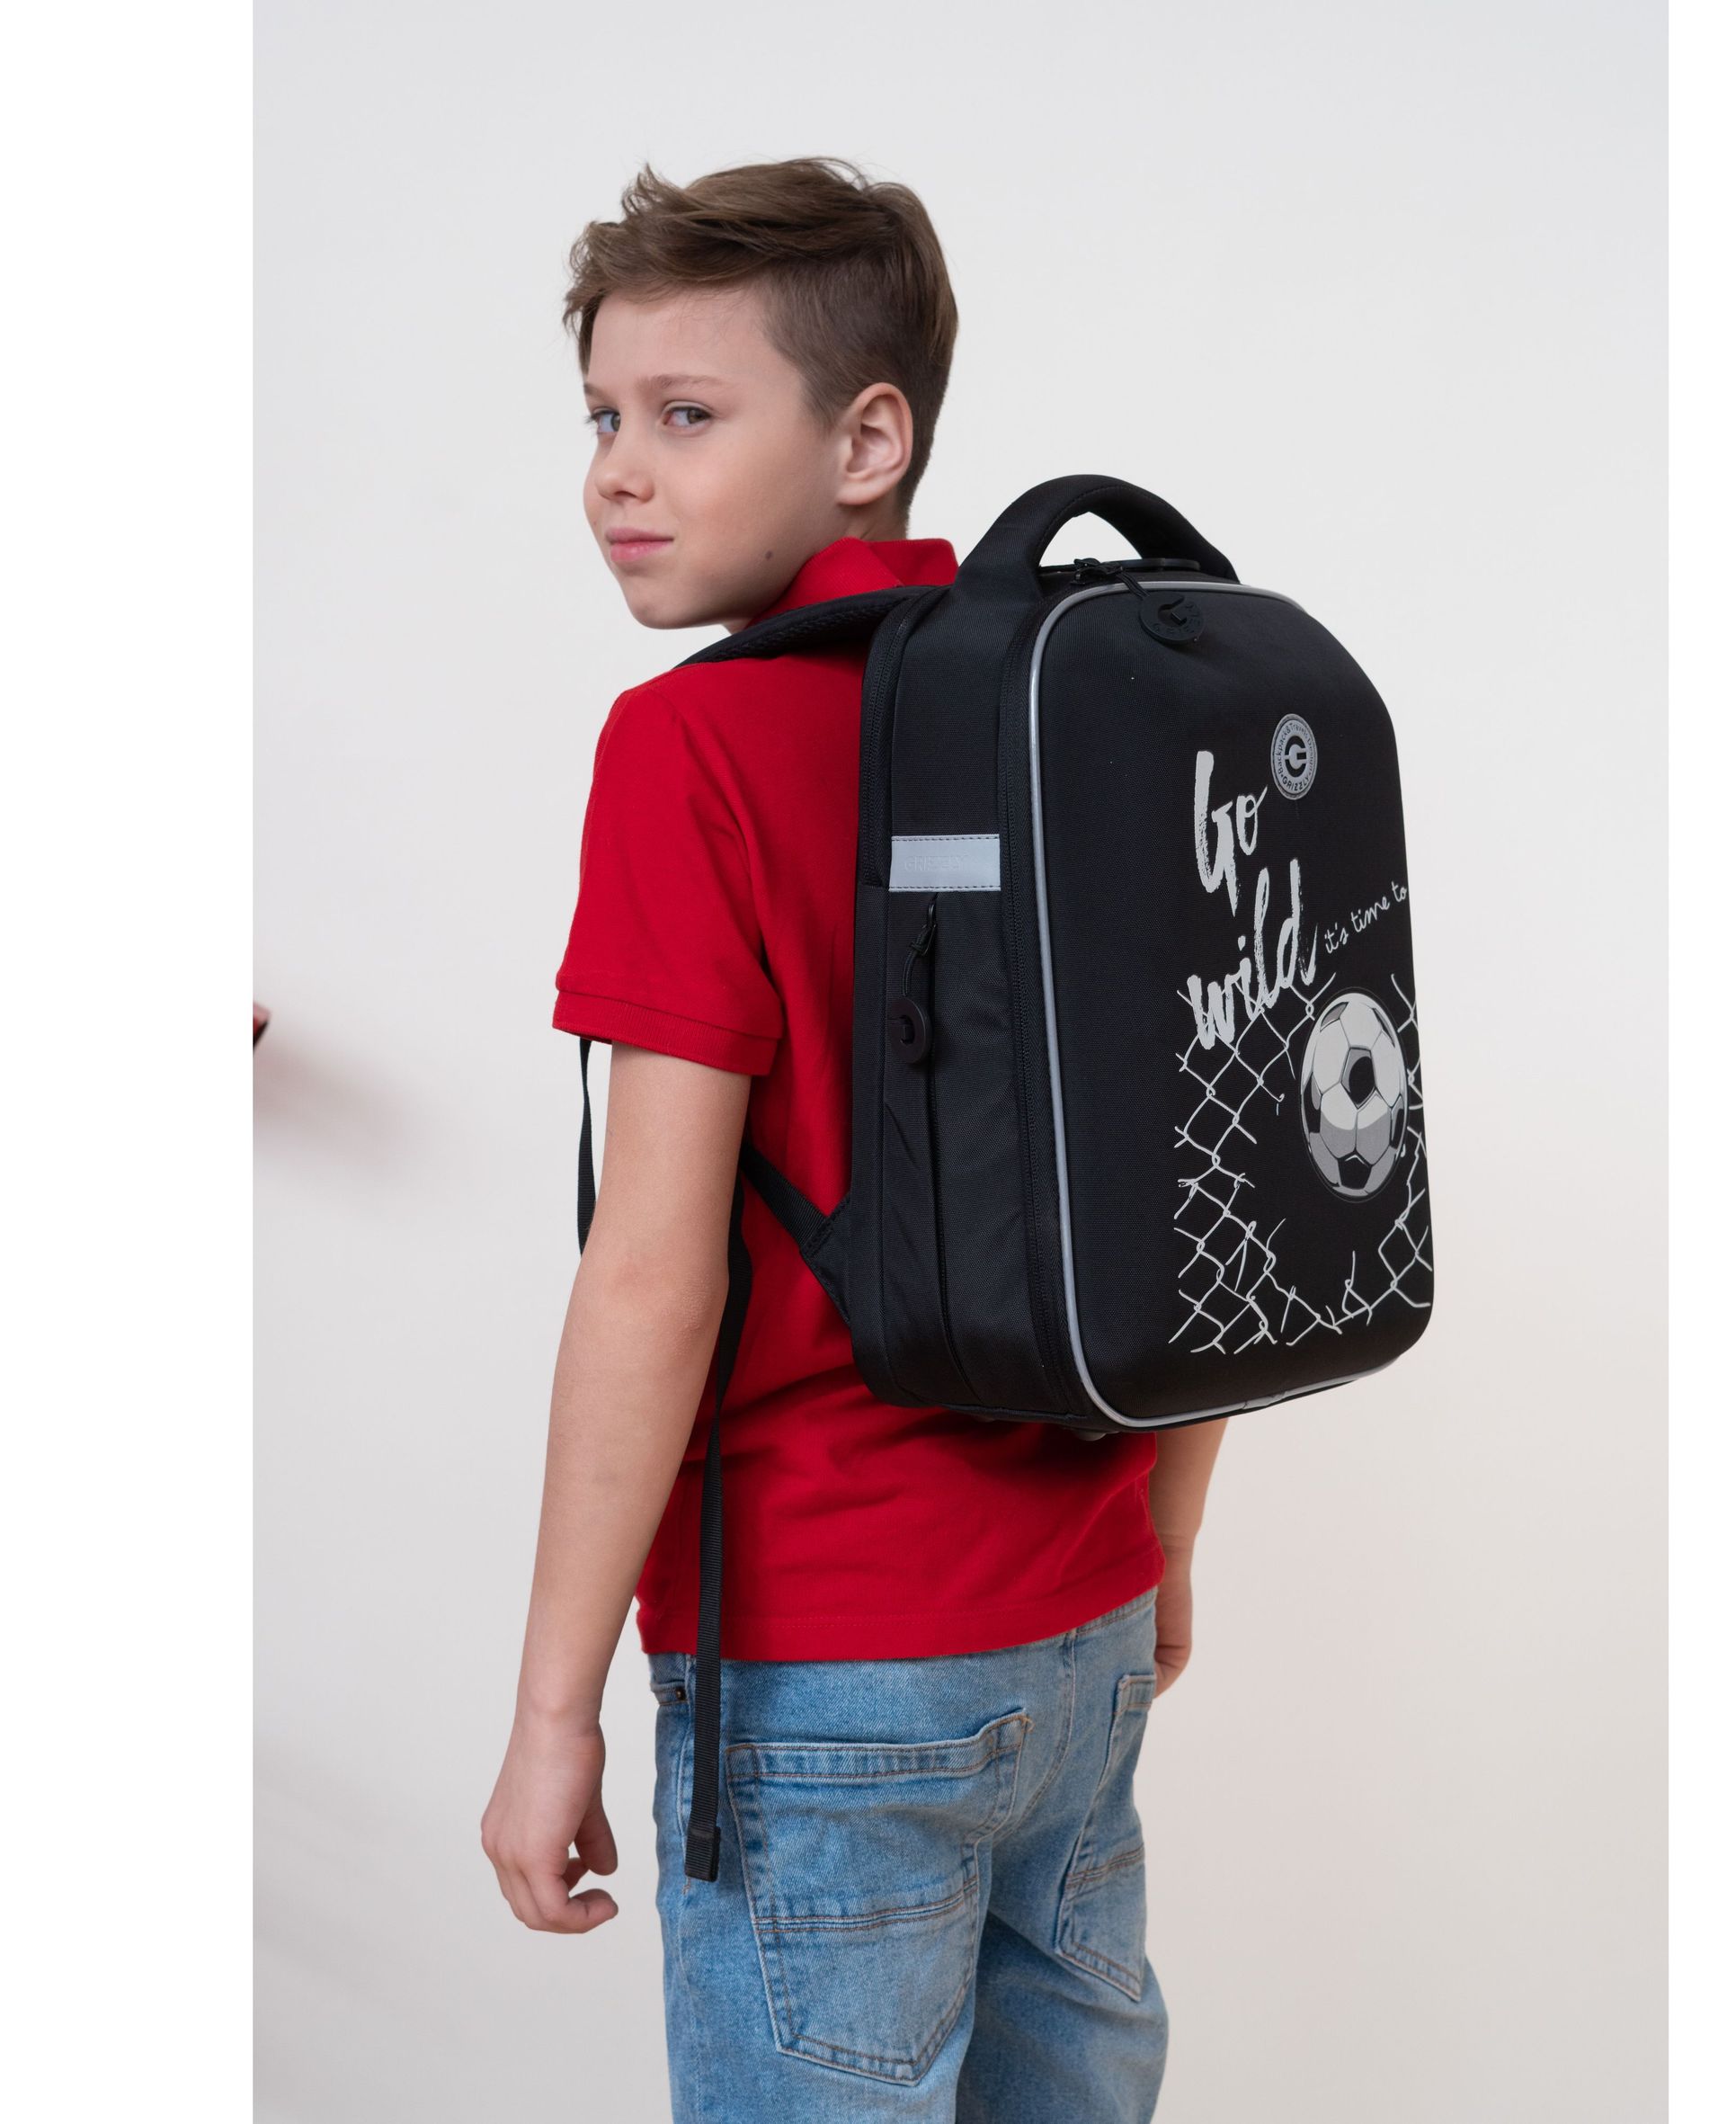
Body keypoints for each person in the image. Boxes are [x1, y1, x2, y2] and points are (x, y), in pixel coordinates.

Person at [479, 156, 1228, 2123]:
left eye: (686, 415)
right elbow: (1192, 1160)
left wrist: (552, 1708)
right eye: (600, 416)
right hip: (1076, 1623)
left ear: (867, 438)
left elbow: (652, 1271)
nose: (617, 474)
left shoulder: (694, 747)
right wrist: (1159, 1541)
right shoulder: (1089, 711)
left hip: (821, 1660)